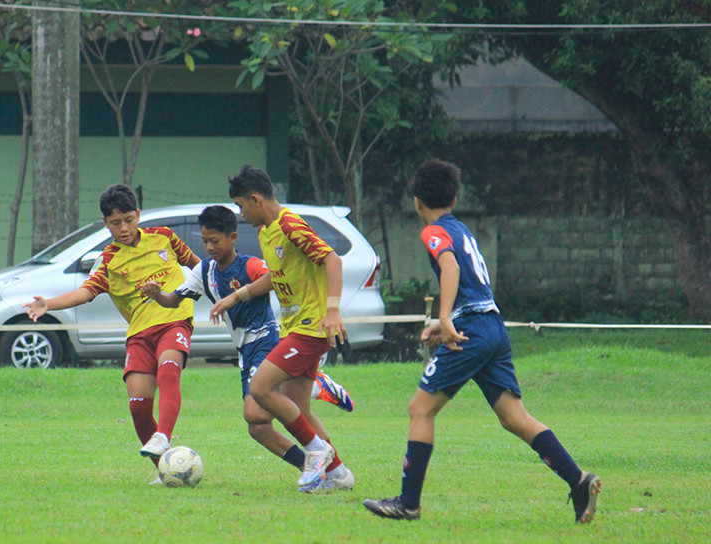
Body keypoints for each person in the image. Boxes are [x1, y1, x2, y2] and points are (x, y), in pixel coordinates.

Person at [363, 159, 601, 523]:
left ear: (416, 201)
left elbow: (451, 268)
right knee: (513, 417)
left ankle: (408, 503)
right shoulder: (463, 231)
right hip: (492, 326)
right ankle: (579, 480)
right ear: (455, 198)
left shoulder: (433, 231)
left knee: (420, 410)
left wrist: (444, 318)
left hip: (471, 329)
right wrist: (446, 322)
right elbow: (471, 284)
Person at [140, 205, 355, 492]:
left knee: (258, 409)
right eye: (205, 241)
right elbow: (172, 300)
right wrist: (158, 296)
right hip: (245, 351)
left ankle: (315, 393)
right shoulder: (204, 271)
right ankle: (329, 470)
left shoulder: (250, 264)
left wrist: (237, 296)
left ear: (232, 238)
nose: (210, 247)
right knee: (257, 427)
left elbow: (274, 279)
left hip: (265, 339)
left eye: (215, 240)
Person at [24, 184, 201, 484]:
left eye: (129, 220)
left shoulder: (165, 238)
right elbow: (85, 292)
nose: (124, 228)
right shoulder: (108, 260)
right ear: (105, 223)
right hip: (140, 334)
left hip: (174, 319)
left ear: (138, 215)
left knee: (169, 371)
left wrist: (221, 286)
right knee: (138, 406)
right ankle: (165, 469)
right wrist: (48, 304)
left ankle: (163, 436)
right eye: (116, 223)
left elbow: (197, 265)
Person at [226, 165, 351, 491]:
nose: (241, 214)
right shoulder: (268, 232)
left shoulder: (289, 224)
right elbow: (278, 275)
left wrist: (333, 310)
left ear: (255, 199)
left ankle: (316, 452)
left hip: (311, 327)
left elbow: (332, 260)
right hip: (295, 326)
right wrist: (239, 295)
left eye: (241, 206)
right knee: (300, 410)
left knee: (261, 387)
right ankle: (339, 475)